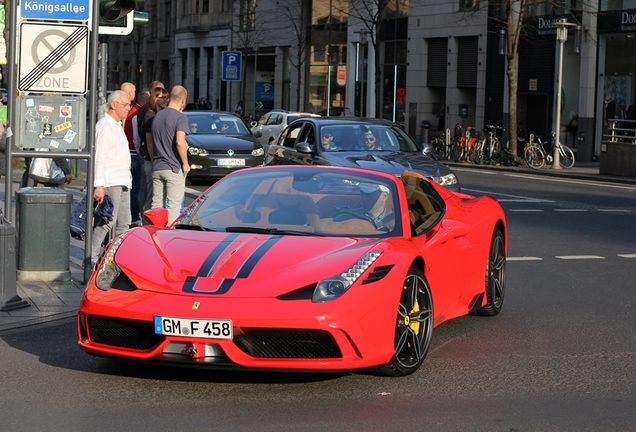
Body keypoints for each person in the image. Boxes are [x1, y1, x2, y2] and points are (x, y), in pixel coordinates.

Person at [91, 90, 133, 267]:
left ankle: (115, 259)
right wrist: (99, 184)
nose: (128, 109)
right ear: (114, 105)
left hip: (123, 180)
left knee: (125, 222)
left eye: (129, 105)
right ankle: (92, 258)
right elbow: (99, 157)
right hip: (111, 180)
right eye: (125, 105)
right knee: (107, 221)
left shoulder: (117, 125)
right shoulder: (104, 126)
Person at [150, 85, 190, 224]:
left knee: (156, 206)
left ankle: (153, 235)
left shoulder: (157, 116)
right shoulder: (181, 118)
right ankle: (169, 237)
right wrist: (185, 164)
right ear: (183, 100)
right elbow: (180, 142)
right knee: (174, 207)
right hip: (173, 167)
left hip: (157, 166)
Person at [140, 87, 169, 212]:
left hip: (157, 162)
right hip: (152, 161)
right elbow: (150, 144)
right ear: (155, 98)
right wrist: (154, 161)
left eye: (167, 97)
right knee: (152, 198)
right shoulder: (150, 116)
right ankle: (147, 225)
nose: (166, 100)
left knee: (157, 197)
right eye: (163, 97)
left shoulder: (160, 115)